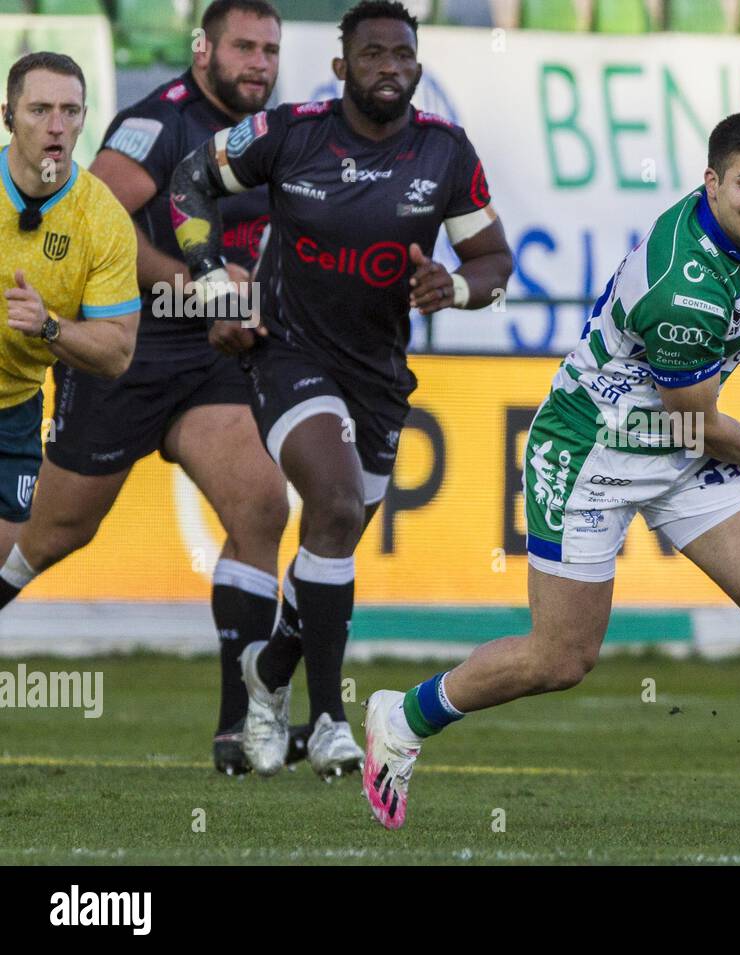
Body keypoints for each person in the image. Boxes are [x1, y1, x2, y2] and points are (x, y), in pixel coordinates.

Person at [361, 111, 740, 837]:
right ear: (711, 182)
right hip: (592, 450)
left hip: (679, 438)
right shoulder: (683, 287)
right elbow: (695, 424)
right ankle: (404, 714)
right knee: (561, 656)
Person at [169, 0, 513, 778]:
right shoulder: (290, 132)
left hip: (380, 376)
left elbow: (494, 260)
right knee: (329, 502)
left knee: (334, 535)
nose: (388, 68)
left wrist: (453, 289)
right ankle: (328, 717)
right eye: (372, 55)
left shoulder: (446, 154)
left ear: (418, 69)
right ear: (340, 67)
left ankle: (270, 667)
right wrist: (207, 279)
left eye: (401, 56)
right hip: (285, 351)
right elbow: (191, 180)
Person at [0, 0, 306, 777]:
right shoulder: (157, 124)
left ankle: (240, 732)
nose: (258, 64)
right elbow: (90, 213)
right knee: (52, 535)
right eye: (243, 46)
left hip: (209, 359)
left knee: (262, 504)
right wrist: (192, 282)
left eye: (270, 49)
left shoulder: (275, 137)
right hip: (125, 352)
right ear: (202, 50)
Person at [0, 52, 139, 577]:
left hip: (12, 412)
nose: (57, 127)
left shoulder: (101, 219)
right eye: (38, 110)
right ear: (7, 116)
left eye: (71, 111)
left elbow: (117, 352)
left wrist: (49, 326)